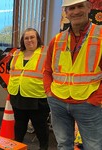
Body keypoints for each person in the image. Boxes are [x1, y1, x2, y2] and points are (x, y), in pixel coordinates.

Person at [43, 0, 102, 149]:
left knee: (93, 146)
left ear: (89, 8)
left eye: (80, 6)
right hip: (58, 101)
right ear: (66, 12)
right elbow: (47, 70)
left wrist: (96, 98)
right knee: (63, 144)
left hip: (88, 103)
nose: (76, 11)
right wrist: (49, 93)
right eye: (71, 8)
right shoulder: (56, 40)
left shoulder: (100, 36)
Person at [7, 28, 50, 150]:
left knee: (40, 128)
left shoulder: (46, 53)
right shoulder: (16, 54)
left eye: (32, 37)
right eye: (26, 38)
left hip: (37, 98)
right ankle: (18, 147)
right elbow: (12, 72)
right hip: (18, 97)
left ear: (38, 39)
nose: (29, 40)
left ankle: (44, 148)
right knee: (19, 127)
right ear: (23, 40)